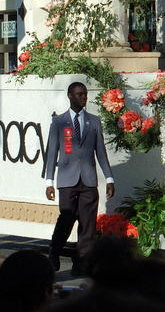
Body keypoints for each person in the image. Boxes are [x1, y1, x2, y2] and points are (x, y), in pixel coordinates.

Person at [44, 82, 114, 275]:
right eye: (79, 94)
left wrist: (109, 178)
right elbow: (52, 153)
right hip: (67, 179)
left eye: (85, 94)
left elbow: (101, 152)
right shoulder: (59, 122)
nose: (83, 97)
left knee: (87, 224)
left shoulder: (94, 121)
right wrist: (49, 181)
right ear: (70, 96)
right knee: (66, 218)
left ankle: (81, 262)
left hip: (89, 181)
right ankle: (54, 252)